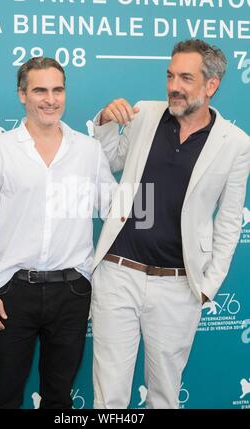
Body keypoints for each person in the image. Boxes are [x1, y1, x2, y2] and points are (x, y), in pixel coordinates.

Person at [91, 39, 250, 409]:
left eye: (185, 78)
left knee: (164, 397)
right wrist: (103, 122)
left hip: (178, 286)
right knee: (108, 397)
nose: (173, 85)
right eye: (170, 75)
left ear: (211, 86)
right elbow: (109, 161)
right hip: (119, 273)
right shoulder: (145, 113)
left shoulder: (236, 144)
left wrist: (207, 286)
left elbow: (229, 223)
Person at [0, 57, 116, 409]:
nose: (50, 99)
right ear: (22, 95)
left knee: (59, 399)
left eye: (57, 90)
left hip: (73, 292)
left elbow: (118, 212)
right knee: (5, 396)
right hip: (12, 293)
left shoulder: (88, 152)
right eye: (40, 90)